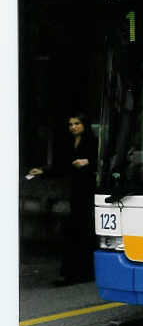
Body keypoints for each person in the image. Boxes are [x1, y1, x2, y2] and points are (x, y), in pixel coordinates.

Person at [29, 114, 98, 286]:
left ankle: (81, 273)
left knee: (83, 231)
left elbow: (102, 162)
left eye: (77, 123)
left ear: (84, 124)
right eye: (70, 124)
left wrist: (88, 163)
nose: (73, 127)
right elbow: (63, 166)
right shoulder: (69, 143)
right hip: (76, 192)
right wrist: (44, 172)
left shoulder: (93, 142)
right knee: (75, 231)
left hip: (89, 192)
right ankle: (73, 273)